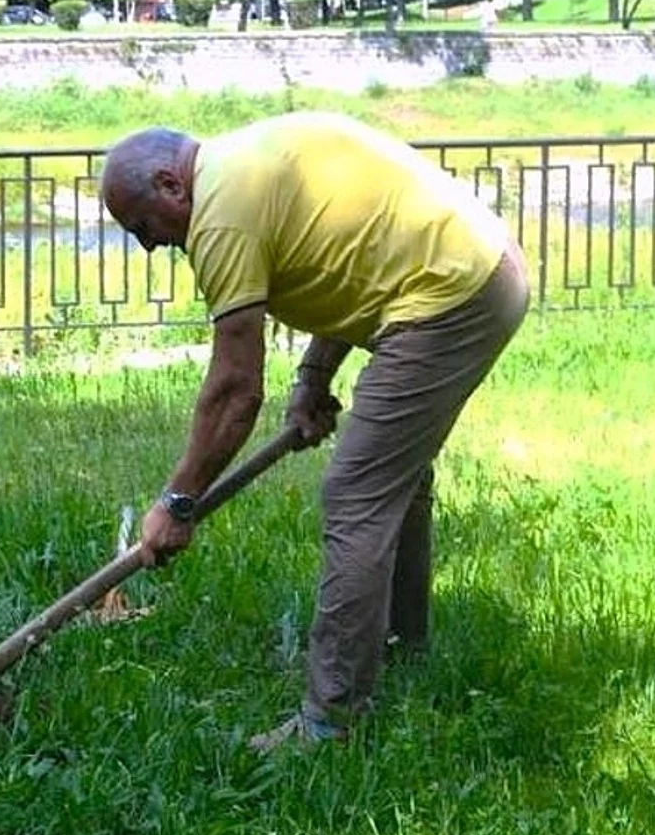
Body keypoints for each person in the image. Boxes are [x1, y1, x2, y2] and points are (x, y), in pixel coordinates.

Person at [98, 111, 530, 753]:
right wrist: (313, 380)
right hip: (476, 271)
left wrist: (179, 502)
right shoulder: (248, 163)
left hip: (451, 297)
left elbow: (234, 392)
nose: (151, 246)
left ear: (170, 185)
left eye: (143, 227)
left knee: (358, 495)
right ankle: (397, 648)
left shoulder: (221, 216)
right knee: (393, 480)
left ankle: (329, 721)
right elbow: (356, 265)